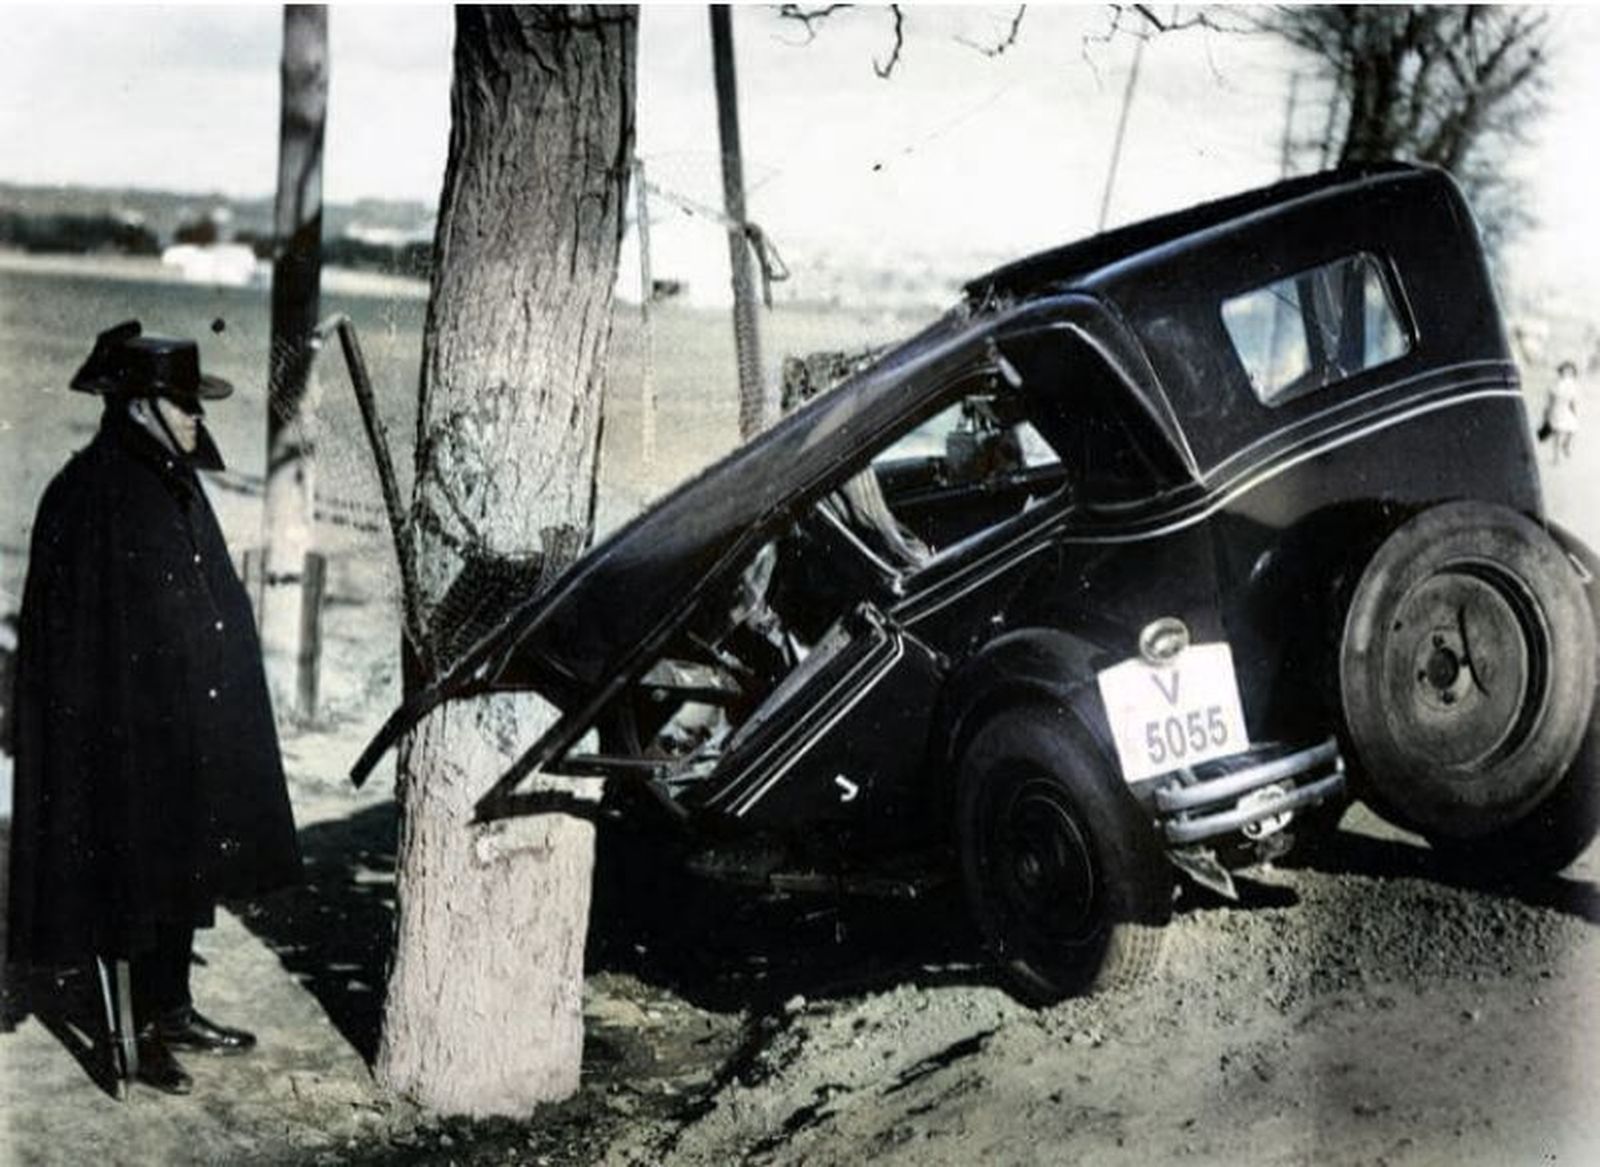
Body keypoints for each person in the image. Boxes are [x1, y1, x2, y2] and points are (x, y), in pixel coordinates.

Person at [6, 321, 303, 1095]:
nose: (197, 415)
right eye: (182, 400)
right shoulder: (91, 492)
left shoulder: (172, 475)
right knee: (134, 872)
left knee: (184, 862)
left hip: (182, 720)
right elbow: (72, 639)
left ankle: (171, 1005)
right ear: (139, 404)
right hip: (123, 730)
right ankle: (132, 1028)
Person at [1544, 360, 1581, 463]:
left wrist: (1574, 411)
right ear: (1561, 372)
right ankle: (1556, 457)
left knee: (1573, 429)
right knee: (1557, 433)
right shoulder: (1556, 384)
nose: (1567, 373)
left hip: (1566, 408)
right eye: (1565, 371)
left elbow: (1572, 400)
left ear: (1573, 373)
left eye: (1570, 372)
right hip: (1557, 408)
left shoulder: (1573, 385)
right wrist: (1547, 411)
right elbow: (1551, 398)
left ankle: (1565, 445)